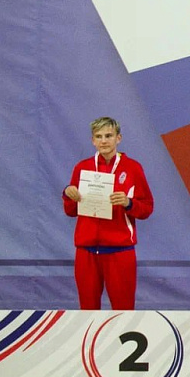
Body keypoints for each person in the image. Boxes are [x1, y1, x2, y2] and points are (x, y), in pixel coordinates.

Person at [62, 117, 153, 310]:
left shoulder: (133, 168)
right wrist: (68, 194)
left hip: (120, 250)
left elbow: (147, 208)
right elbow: (70, 211)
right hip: (86, 250)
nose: (104, 141)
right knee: (87, 310)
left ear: (118, 138)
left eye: (109, 136)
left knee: (123, 310)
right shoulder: (82, 168)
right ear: (93, 141)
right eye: (99, 136)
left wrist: (129, 203)